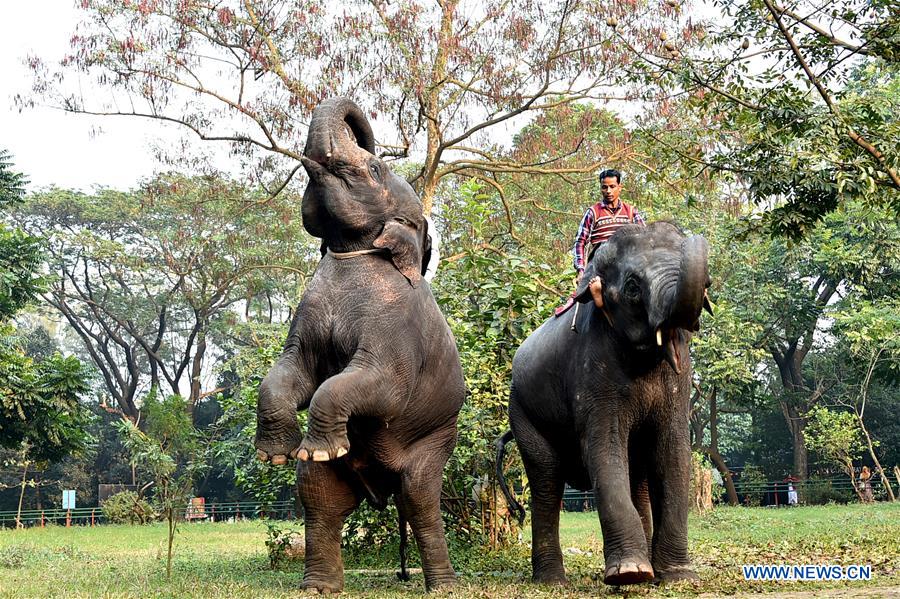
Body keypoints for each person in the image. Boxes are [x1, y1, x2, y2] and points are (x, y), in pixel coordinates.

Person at [572, 168, 646, 286]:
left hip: (627, 263)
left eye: (612, 186)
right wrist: (581, 270)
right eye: (604, 187)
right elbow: (580, 242)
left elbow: (645, 239)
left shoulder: (631, 212)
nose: (608, 191)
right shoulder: (593, 212)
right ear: (601, 188)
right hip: (600, 266)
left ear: (619, 187)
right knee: (589, 291)